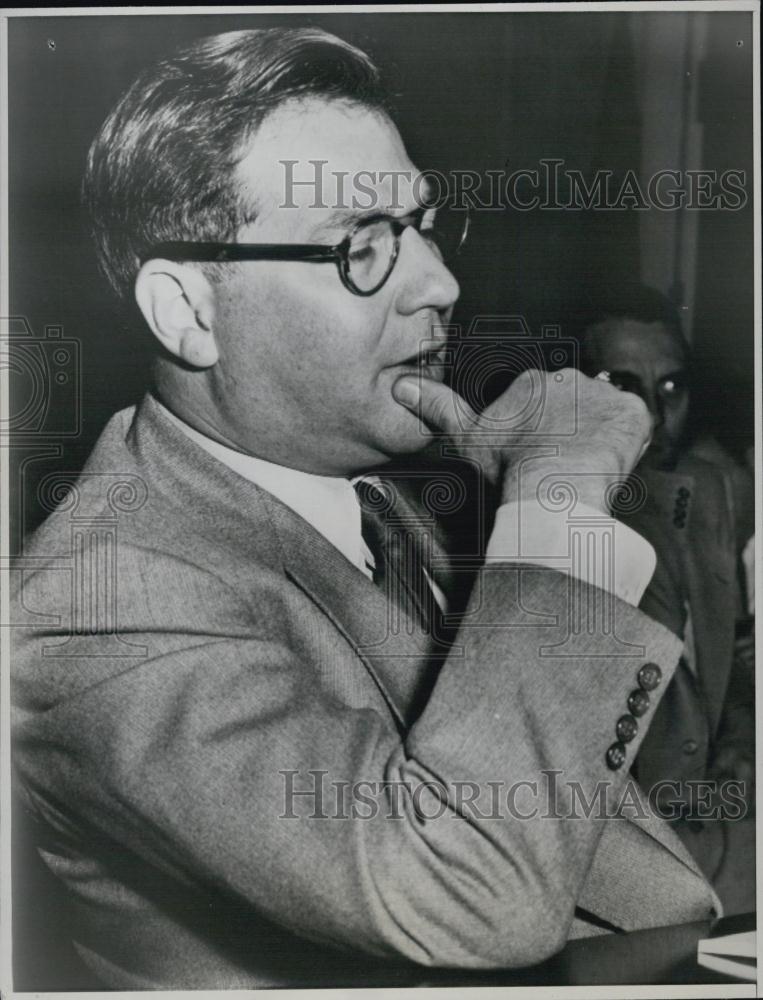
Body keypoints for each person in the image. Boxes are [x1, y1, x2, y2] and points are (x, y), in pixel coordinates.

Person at [12, 30, 719, 990]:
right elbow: (467, 896)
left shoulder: (384, 499)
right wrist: (554, 513)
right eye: (362, 246)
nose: (440, 284)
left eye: (423, 225)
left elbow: (605, 855)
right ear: (187, 310)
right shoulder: (95, 606)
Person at [578, 283, 755, 912]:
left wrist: (738, 759)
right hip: (621, 878)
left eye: (672, 388)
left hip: (718, 838)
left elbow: (734, 663)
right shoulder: (543, 530)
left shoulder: (709, 493)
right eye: (623, 386)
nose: (652, 414)